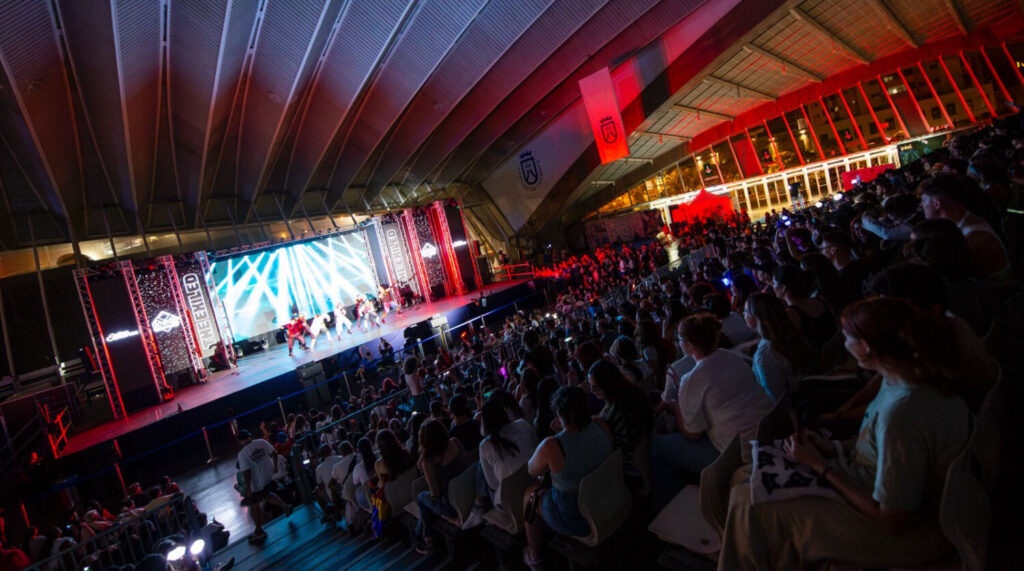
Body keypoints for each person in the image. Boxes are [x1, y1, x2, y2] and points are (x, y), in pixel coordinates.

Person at [717, 297, 972, 570]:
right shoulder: (904, 379)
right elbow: (884, 448)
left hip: (902, 532)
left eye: (848, 337)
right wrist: (833, 447)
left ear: (867, 347)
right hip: (867, 482)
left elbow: (893, 520)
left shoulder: (903, 414)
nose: (845, 345)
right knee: (744, 475)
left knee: (747, 504)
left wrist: (821, 466)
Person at [650, 313, 772, 511]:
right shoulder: (731, 356)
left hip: (738, 455)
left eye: (679, 340)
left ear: (688, 344)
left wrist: (676, 406)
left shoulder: (692, 379)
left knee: (659, 447)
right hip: (766, 433)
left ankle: (667, 509)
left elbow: (692, 433)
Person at [522, 387, 613, 570]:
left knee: (529, 495)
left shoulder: (552, 445)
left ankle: (535, 555)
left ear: (559, 414)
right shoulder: (599, 423)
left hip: (577, 516)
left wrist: (557, 436)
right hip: (608, 496)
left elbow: (531, 469)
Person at [919, 174, 1010, 278]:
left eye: (923, 201)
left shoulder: (972, 238)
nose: (921, 206)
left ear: (937, 204)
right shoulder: (964, 220)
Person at [472, 392, 538, 525]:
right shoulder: (523, 424)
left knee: (480, 467)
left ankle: (478, 509)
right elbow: (536, 450)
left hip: (511, 503)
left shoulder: (485, 446)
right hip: (536, 488)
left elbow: (492, 484)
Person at [587, 359, 653, 488]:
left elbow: (607, 451)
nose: (592, 391)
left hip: (631, 472)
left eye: (595, 387)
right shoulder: (635, 393)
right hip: (649, 456)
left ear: (607, 385)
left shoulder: (610, 415)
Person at [745, 294, 817, 402]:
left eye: (746, 311)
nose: (742, 313)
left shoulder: (764, 355)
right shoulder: (794, 335)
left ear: (754, 318)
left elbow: (776, 399)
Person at [414, 420, 468, 554]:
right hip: (468, 492)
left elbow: (435, 495)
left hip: (452, 506)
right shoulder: (455, 442)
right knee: (425, 503)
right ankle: (425, 536)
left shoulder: (429, 462)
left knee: (421, 498)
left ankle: (424, 537)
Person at [236, 429, 291, 543]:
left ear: (240, 441)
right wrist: (274, 466)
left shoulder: (242, 454)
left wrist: (248, 487)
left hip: (256, 482)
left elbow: (246, 472)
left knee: (254, 503)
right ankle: (285, 506)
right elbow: (274, 453)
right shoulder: (261, 442)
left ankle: (259, 530)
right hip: (267, 476)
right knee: (266, 495)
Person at [773, 265, 837, 351]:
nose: (772, 286)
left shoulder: (790, 314)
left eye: (773, 283)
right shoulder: (819, 300)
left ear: (783, 288)